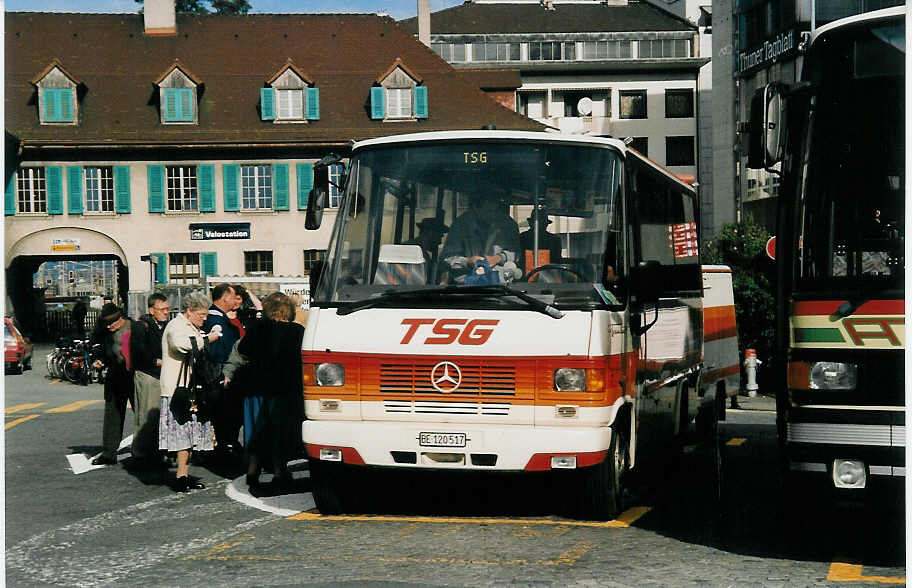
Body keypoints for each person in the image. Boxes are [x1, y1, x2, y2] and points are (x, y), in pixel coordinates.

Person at [223, 292, 305, 493]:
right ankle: (279, 472)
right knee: (279, 431)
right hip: (283, 391)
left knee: (254, 430)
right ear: (290, 311)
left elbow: (243, 351)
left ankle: (252, 471)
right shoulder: (297, 331)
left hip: (255, 389)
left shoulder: (258, 328)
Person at [159, 290, 220, 493]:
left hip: (190, 388)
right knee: (182, 436)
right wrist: (208, 339)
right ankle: (180, 477)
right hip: (178, 390)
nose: (204, 318)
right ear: (189, 311)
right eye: (201, 314)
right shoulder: (176, 326)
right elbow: (181, 345)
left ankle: (183, 474)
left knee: (189, 436)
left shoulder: (190, 326)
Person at [439, 191, 521, 283]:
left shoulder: (508, 225)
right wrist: (467, 262)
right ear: (476, 208)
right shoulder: (460, 225)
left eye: (495, 211)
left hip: (501, 283)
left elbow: (517, 253)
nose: (492, 215)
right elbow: (447, 257)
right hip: (467, 284)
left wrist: (499, 257)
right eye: (488, 211)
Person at [129, 293, 170, 468]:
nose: (166, 312)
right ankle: (140, 453)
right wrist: (155, 361)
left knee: (159, 415)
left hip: (162, 375)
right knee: (146, 414)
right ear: (152, 310)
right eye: (162, 309)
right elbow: (138, 351)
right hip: (147, 374)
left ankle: (156, 451)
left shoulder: (166, 325)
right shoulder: (141, 326)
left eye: (168, 309)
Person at [90, 304, 134, 466]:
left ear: (121, 318)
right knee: (112, 414)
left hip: (134, 374)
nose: (109, 326)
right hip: (115, 373)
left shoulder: (134, 327)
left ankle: (150, 451)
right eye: (106, 323)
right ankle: (109, 453)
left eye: (112, 323)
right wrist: (98, 358)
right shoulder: (103, 330)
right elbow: (96, 344)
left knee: (143, 413)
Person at [202, 283, 241, 458]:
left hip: (223, 371)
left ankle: (225, 445)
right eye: (233, 296)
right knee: (221, 414)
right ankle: (221, 448)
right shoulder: (215, 320)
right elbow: (217, 351)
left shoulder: (220, 317)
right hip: (219, 374)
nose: (235, 300)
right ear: (224, 298)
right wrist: (225, 373)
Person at [405, 217, 449, 282]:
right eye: (439, 236)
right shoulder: (411, 250)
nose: (440, 242)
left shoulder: (422, 253)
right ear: (430, 233)